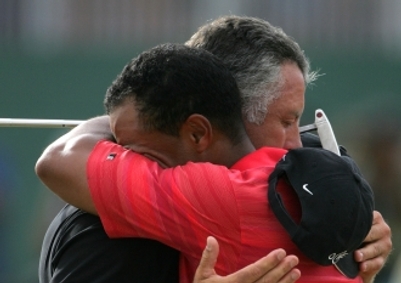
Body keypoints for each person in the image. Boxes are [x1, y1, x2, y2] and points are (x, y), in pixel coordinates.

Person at [38, 15, 391, 283]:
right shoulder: (96, 235)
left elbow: (58, 159)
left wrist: (119, 123)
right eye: (286, 121)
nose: (297, 143)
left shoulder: (236, 192)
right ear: (209, 120)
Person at [185, 15, 392, 283]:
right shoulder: (134, 193)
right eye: (285, 122)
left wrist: (362, 267)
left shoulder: (301, 205)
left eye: (298, 123)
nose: (295, 144)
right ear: (226, 113)